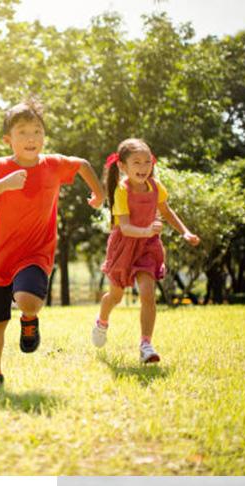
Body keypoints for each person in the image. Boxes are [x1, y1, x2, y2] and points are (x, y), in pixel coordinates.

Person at [0, 97, 105, 388]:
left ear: (44, 136)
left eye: (37, 131)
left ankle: (29, 318)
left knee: (28, 300)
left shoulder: (53, 165)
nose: (31, 138)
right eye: (22, 132)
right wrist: (3, 184)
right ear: (9, 139)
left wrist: (99, 194)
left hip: (35, 253)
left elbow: (82, 165)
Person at [91, 138, 200, 363]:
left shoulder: (156, 186)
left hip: (148, 247)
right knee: (116, 296)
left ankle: (146, 345)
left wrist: (185, 232)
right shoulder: (122, 190)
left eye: (147, 162)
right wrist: (149, 230)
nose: (143, 168)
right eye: (137, 163)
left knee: (148, 294)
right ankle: (102, 321)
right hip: (125, 246)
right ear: (122, 166)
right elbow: (126, 228)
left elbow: (167, 211)